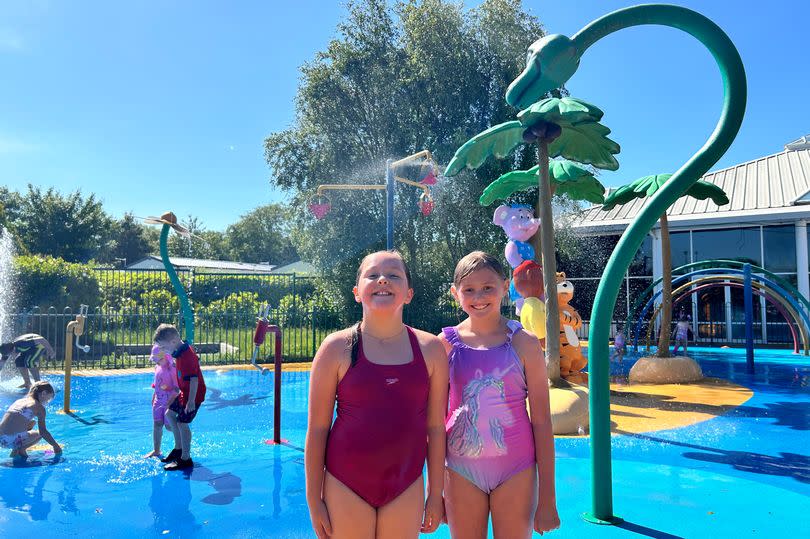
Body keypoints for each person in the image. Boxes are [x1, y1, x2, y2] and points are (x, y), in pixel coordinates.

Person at [305, 250, 448, 539]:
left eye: (394, 275)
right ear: (357, 292)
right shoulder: (337, 348)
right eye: (373, 275)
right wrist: (313, 499)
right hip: (345, 483)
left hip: (405, 485)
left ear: (408, 293)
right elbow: (318, 429)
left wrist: (435, 493)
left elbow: (435, 427)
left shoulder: (431, 349)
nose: (383, 279)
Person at [441, 251, 559, 538]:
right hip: (460, 471)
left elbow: (542, 421)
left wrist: (548, 499)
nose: (478, 296)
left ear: (505, 287)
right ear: (455, 293)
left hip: (515, 470)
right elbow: (433, 421)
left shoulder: (525, 344)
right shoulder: (444, 345)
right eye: (469, 289)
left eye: (487, 288)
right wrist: (434, 492)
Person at [152, 324, 206, 471]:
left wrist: (190, 402)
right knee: (170, 413)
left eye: (163, 347)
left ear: (174, 341)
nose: (162, 351)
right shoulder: (178, 352)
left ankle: (185, 458)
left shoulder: (187, 356)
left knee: (182, 423)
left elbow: (194, 380)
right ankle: (178, 448)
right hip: (184, 392)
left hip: (193, 396)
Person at [0, 381, 61, 458]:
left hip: (1, 439)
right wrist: (56, 446)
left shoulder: (19, 401)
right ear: (44, 393)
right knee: (39, 434)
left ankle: (16, 450)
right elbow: (43, 432)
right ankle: (20, 449)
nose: (47, 402)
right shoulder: (39, 407)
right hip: (9, 441)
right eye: (48, 399)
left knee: (32, 422)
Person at [144, 344, 179, 459]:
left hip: (170, 401)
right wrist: (154, 395)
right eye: (156, 360)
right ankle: (156, 450)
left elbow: (176, 388)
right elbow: (157, 383)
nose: (157, 362)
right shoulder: (157, 367)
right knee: (157, 424)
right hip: (158, 401)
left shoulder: (173, 369)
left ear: (167, 356)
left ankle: (181, 444)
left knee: (170, 427)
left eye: (159, 360)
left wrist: (171, 400)